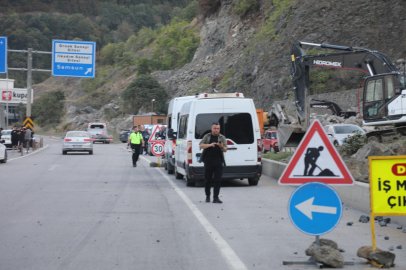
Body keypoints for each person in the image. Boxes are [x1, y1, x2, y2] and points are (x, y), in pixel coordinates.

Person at [198, 122, 228, 203]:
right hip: (208, 160)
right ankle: (207, 196)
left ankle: (216, 197)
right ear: (212, 129)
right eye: (215, 128)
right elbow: (201, 145)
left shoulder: (222, 137)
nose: (216, 130)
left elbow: (225, 149)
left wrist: (221, 146)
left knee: (217, 180)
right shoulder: (207, 136)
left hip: (218, 161)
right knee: (207, 179)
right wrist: (210, 145)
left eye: (218, 128)